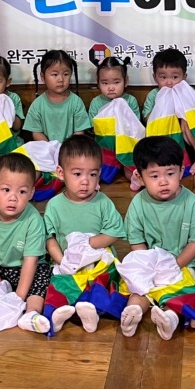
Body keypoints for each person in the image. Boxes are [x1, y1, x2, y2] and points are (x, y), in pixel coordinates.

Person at [120, 136, 195, 340]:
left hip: (185, 263)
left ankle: (171, 317)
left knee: (182, 286)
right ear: (139, 177)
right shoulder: (138, 203)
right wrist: (149, 266)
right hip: (151, 262)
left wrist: (175, 265)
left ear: (181, 171)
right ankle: (133, 310)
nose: (164, 181)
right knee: (139, 285)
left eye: (170, 173)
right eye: (154, 175)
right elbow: (136, 240)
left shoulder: (191, 202)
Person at [44, 136, 125, 333]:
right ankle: (57, 314)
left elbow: (115, 232)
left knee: (104, 283)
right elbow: (49, 238)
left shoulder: (103, 202)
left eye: (93, 174)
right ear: (61, 173)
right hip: (67, 264)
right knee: (57, 285)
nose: (85, 181)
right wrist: (63, 261)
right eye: (77, 174)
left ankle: (91, 311)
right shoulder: (54, 205)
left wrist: (90, 244)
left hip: (97, 262)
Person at [0, 153, 52, 334]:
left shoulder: (33, 219)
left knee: (43, 276)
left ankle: (31, 314)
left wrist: (18, 298)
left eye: (22, 192)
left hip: (25, 269)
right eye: (6, 190)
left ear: (31, 193)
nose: (13, 198)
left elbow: (31, 261)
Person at [142, 48, 195, 176]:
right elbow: (148, 120)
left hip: (188, 141)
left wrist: (183, 115)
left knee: (186, 121)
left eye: (175, 77)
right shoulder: (154, 94)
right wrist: (164, 109)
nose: (169, 82)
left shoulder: (187, 92)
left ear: (184, 77)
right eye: (163, 77)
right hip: (164, 139)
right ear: (155, 77)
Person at [88, 56, 143, 189]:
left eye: (116, 82)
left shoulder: (130, 101)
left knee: (130, 167)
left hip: (126, 145)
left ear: (126, 81)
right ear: (98, 82)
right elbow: (93, 128)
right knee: (96, 167)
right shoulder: (96, 102)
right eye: (105, 83)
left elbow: (135, 127)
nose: (111, 87)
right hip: (105, 146)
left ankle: (135, 179)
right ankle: (94, 182)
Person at [23, 50, 90, 142]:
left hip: (71, 147)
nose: (61, 79)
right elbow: (36, 132)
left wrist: (68, 147)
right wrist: (49, 147)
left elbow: (79, 131)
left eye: (66, 74)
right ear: (43, 77)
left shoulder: (76, 102)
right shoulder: (37, 105)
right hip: (46, 148)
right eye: (55, 74)